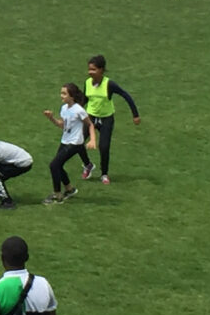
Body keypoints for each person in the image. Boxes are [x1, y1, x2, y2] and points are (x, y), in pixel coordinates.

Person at [83, 54, 140, 185]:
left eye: (93, 69)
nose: (90, 72)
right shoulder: (87, 83)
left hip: (106, 119)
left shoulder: (109, 84)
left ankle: (104, 174)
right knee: (78, 143)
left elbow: (125, 95)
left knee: (104, 147)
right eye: (89, 69)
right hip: (90, 118)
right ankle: (88, 165)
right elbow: (85, 99)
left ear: (101, 70)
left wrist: (135, 115)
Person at [43, 82, 97, 204]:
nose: (61, 96)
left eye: (64, 93)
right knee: (58, 166)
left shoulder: (79, 110)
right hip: (65, 140)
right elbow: (62, 125)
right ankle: (69, 189)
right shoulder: (64, 108)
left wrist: (92, 140)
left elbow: (90, 124)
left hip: (74, 143)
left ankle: (57, 195)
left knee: (53, 165)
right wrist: (51, 118)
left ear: (71, 96)